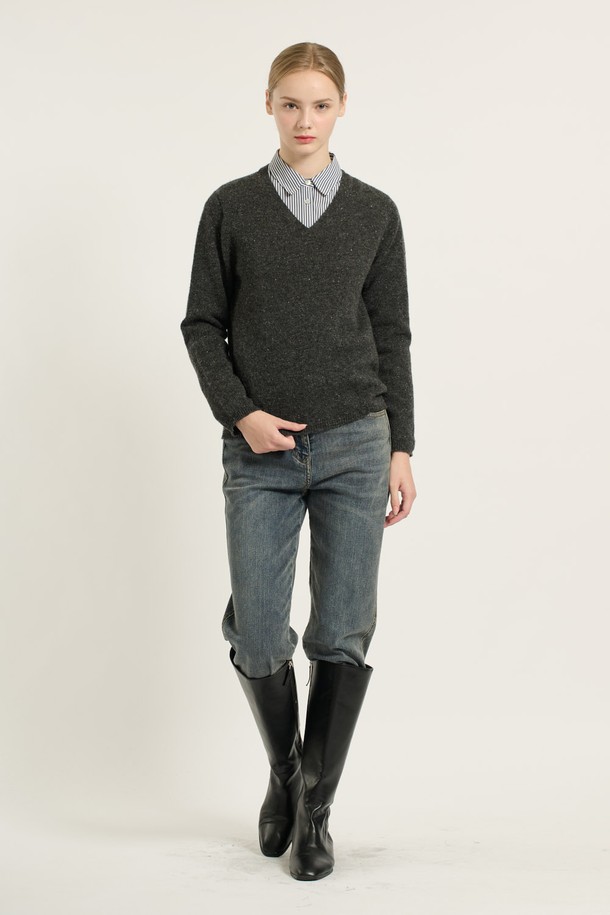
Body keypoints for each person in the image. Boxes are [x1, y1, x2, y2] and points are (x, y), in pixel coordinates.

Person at [180, 41, 416, 882]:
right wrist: (241, 413)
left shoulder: (375, 212)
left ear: (341, 108)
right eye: (290, 104)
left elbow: (392, 333)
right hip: (259, 453)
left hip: (357, 443)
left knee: (342, 631)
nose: (305, 120)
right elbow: (202, 324)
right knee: (258, 633)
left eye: (319, 104)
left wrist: (402, 445)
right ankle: (285, 767)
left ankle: (315, 804)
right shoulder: (232, 207)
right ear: (269, 106)